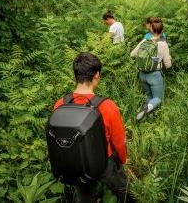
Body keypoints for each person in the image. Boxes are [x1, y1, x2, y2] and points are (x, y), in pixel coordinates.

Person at [53, 52, 135, 203]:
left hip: (76, 164)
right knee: (123, 188)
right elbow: (119, 142)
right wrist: (122, 161)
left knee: (85, 198)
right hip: (104, 163)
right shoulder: (107, 106)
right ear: (96, 75)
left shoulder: (60, 104)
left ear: (76, 75)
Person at [131, 19, 172, 121]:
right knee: (158, 98)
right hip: (155, 75)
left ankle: (150, 119)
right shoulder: (163, 44)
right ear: (162, 30)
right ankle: (147, 109)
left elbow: (132, 54)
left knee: (149, 96)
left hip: (142, 74)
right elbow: (168, 64)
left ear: (151, 29)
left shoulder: (145, 41)